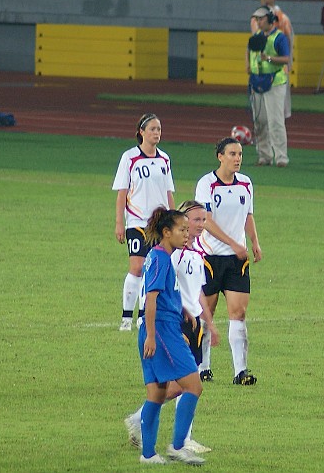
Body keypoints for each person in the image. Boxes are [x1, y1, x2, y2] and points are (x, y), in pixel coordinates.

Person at [124, 200, 220, 456]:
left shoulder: (163, 256)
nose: (187, 234)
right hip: (163, 330)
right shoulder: (161, 259)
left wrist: (186, 312)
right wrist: (153, 337)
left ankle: (149, 455)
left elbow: (169, 294)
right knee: (193, 385)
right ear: (167, 232)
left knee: (157, 394)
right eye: (183, 229)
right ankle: (178, 446)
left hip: (168, 326)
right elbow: (151, 300)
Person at [195, 137, 263, 386]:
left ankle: (240, 371)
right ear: (220, 156)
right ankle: (203, 368)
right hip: (211, 258)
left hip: (237, 261)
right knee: (206, 313)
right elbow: (206, 221)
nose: (238, 159)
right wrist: (233, 244)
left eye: (240, 154)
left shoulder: (245, 183)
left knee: (239, 312)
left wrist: (254, 241)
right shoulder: (207, 184)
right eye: (232, 154)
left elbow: (248, 215)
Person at [112, 114, 176, 331]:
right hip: (137, 222)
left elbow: (168, 193)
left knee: (153, 269)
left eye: (159, 129)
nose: (157, 133)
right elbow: (122, 193)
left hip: (159, 224)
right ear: (141, 131)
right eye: (152, 129)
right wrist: (119, 223)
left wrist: (173, 219)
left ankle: (142, 317)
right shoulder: (129, 158)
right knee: (137, 267)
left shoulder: (164, 159)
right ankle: (126, 317)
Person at [250, 0, 293, 156]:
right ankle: (264, 155)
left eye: (261, 19)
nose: (258, 22)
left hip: (276, 79)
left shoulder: (280, 28)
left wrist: (270, 59)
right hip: (258, 80)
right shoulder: (256, 30)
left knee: (276, 120)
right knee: (260, 121)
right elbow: (251, 50)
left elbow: (287, 51)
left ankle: (281, 156)